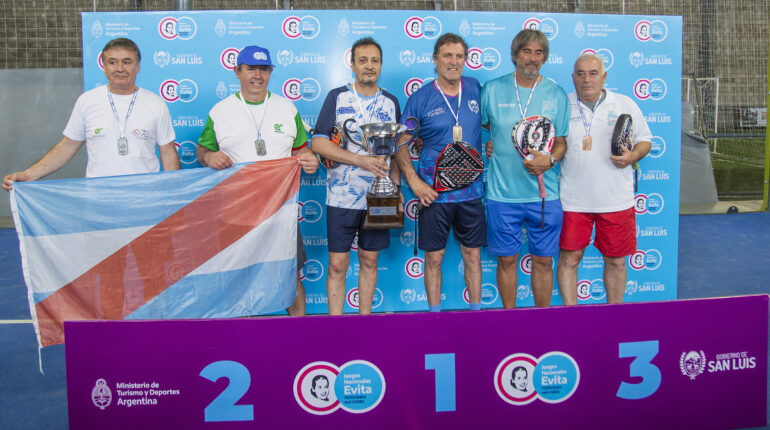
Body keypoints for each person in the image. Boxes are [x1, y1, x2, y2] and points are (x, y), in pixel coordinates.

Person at [197, 45, 318, 316]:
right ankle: (242, 337)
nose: (258, 75)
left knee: (289, 277)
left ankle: (299, 335)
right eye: (251, 68)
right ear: (237, 71)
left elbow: (301, 151)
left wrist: (310, 160)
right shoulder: (220, 111)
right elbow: (202, 151)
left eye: (264, 69)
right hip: (236, 214)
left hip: (280, 213)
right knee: (238, 280)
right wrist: (209, 156)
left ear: (270, 72)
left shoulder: (287, 108)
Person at [3, 37, 179, 190]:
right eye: (112, 62)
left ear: (137, 67)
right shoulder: (87, 101)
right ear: (104, 67)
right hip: (99, 199)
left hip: (144, 198)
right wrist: (28, 175)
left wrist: (176, 195)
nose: (119, 68)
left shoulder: (156, 104)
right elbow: (67, 146)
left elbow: (168, 153)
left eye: (127, 62)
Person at [394, 33, 485, 312]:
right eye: (447, 55)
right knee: (434, 258)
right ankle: (434, 318)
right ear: (435, 59)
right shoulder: (420, 98)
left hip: (471, 193)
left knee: (473, 256)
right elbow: (401, 143)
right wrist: (414, 183)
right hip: (434, 194)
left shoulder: (475, 88)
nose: (453, 62)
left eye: (459, 56)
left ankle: (476, 315)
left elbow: (491, 123)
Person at [312, 37, 402, 316]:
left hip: (380, 197)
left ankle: (364, 324)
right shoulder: (337, 97)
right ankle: (336, 326)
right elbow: (318, 142)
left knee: (370, 261)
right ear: (352, 65)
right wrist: (360, 160)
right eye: (363, 60)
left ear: (381, 66)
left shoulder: (390, 102)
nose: (369, 66)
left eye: (375, 60)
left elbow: (396, 152)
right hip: (341, 196)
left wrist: (396, 190)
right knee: (337, 265)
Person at [481, 29, 569, 308]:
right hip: (502, 195)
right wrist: (493, 143)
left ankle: (542, 321)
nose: (532, 58)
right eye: (527, 51)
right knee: (507, 260)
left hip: (544, 197)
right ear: (515, 55)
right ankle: (510, 321)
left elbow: (562, 142)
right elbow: (485, 125)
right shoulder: (492, 89)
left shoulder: (556, 94)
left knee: (543, 261)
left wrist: (550, 160)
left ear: (545, 58)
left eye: (538, 53)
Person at [556, 53, 651, 305]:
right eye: (580, 74)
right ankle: (571, 317)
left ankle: (614, 317)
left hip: (616, 200)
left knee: (616, 262)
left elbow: (645, 140)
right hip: (573, 201)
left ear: (604, 76)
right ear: (573, 77)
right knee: (569, 260)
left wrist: (633, 156)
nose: (587, 79)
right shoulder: (562, 105)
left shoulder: (624, 104)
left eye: (593, 73)